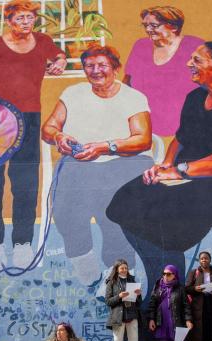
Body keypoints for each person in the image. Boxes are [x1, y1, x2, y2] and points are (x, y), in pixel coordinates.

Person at [107, 37, 212, 297]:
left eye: (197, 60)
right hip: (199, 176)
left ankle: (169, 294)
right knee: (128, 197)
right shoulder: (195, 98)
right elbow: (181, 138)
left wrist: (179, 171)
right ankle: (164, 279)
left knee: (172, 210)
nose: (189, 63)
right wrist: (163, 166)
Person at [0, 0, 66, 270]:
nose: (26, 22)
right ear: (8, 20)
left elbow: (57, 55)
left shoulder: (42, 40)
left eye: (30, 17)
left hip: (29, 120)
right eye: (20, 18)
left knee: (25, 184)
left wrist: (60, 61)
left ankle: (22, 244)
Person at [41, 43, 153, 286]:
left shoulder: (132, 97)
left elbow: (142, 140)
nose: (95, 70)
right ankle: (83, 260)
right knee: (65, 212)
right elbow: (48, 128)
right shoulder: (73, 93)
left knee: (114, 216)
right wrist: (59, 137)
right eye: (89, 66)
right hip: (79, 164)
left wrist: (105, 146)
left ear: (114, 67)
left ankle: (120, 272)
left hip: (122, 162)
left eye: (102, 65)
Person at [123, 6, 204, 137]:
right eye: (145, 25)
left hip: (187, 128)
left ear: (173, 27)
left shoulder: (195, 46)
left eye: (154, 25)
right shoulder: (140, 46)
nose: (148, 30)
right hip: (144, 127)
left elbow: (211, 85)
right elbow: (127, 83)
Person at [147, 265, 193, 341]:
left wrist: (188, 320)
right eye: (164, 273)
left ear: (174, 275)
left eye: (169, 274)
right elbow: (152, 303)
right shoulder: (158, 286)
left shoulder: (180, 288)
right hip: (162, 322)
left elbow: (186, 306)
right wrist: (151, 319)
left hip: (176, 322)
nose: (166, 276)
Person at [104, 259, 146, 341]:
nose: (124, 270)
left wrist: (139, 295)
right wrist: (120, 296)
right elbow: (108, 301)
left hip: (132, 316)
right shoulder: (111, 282)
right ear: (117, 269)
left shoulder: (132, 280)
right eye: (122, 268)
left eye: (126, 268)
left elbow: (139, 302)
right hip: (118, 318)